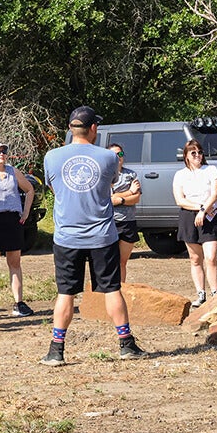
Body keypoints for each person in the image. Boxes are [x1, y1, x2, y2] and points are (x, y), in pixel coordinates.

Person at [41, 105, 147, 366]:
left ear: (69, 129)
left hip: (67, 237)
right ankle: (126, 344)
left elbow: (55, 189)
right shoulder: (108, 158)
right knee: (112, 289)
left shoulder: (51, 157)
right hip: (102, 235)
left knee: (66, 293)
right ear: (93, 129)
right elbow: (107, 186)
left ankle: (57, 350)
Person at [0, 140, 35, 319]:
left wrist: (26, 211)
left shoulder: (13, 171)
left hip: (12, 219)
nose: (1, 154)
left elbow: (29, 190)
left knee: (15, 262)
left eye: (4, 150)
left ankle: (19, 303)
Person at [173, 139, 217, 307]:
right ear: (186, 156)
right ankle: (201, 293)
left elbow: (215, 193)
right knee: (195, 258)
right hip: (189, 215)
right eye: (193, 153)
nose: (197, 156)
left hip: (209, 215)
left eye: (200, 152)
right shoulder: (180, 174)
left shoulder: (211, 170)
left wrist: (203, 210)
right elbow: (180, 200)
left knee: (210, 257)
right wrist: (199, 207)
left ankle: (216, 292)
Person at [108, 143, 141, 282]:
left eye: (120, 154)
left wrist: (121, 199)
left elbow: (136, 198)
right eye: (114, 155)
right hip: (110, 222)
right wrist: (129, 192)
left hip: (128, 222)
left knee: (122, 262)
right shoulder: (106, 175)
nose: (118, 157)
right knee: (110, 261)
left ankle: (121, 290)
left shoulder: (131, 174)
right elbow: (109, 199)